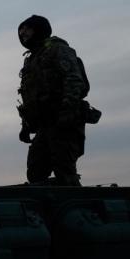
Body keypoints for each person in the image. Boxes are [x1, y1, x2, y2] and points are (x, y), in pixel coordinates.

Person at [17, 15, 90, 186]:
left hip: (63, 121)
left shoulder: (58, 50)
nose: (23, 33)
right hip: (44, 125)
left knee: (65, 170)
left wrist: (67, 112)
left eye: (27, 28)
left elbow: (74, 80)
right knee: (36, 171)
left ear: (39, 29)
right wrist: (26, 126)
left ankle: (76, 208)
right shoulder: (32, 59)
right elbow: (30, 96)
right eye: (20, 30)